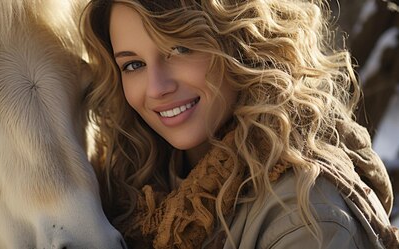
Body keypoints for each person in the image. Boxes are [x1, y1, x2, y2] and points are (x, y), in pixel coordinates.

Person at [80, 0, 399, 248]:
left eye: (180, 48)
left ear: (240, 41)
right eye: (133, 64)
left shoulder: (306, 215)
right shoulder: (126, 189)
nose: (156, 88)